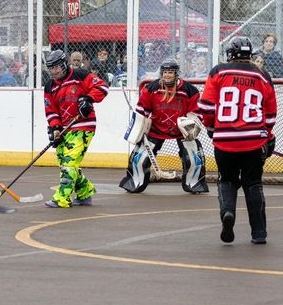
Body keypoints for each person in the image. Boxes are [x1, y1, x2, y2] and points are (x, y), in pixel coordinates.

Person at [198, 36, 277, 244]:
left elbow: (205, 106)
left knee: (227, 180)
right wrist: (267, 136)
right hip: (254, 140)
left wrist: (211, 126)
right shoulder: (263, 75)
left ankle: (227, 213)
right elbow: (270, 114)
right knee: (253, 184)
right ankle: (259, 233)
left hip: (225, 140)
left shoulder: (218, 71)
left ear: (230, 53)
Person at [119, 59, 208, 194]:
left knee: (193, 157)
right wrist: (140, 124)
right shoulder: (152, 88)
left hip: (181, 130)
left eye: (170, 72)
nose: (167, 75)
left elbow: (196, 112)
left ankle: (194, 183)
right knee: (139, 158)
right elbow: (142, 109)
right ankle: (135, 182)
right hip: (157, 128)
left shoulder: (189, 90)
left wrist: (190, 122)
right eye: (165, 72)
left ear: (176, 74)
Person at [42, 49, 108, 208]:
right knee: (64, 161)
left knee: (69, 163)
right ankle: (85, 192)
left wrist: (88, 99)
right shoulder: (50, 86)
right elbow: (51, 110)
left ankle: (62, 198)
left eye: (57, 67)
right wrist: (55, 128)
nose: (54, 71)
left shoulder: (81, 75)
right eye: (51, 68)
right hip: (65, 129)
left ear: (65, 64)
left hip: (83, 126)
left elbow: (102, 87)